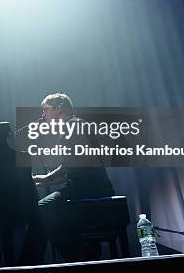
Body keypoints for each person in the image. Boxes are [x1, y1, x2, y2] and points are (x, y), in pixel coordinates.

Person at [19, 93, 114, 265]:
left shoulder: (73, 126)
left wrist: (46, 178)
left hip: (91, 189)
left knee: (42, 209)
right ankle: (78, 254)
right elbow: (72, 172)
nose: (43, 115)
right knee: (47, 215)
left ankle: (76, 257)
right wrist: (41, 180)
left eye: (45, 110)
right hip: (87, 186)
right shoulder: (75, 125)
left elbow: (69, 167)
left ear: (58, 108)